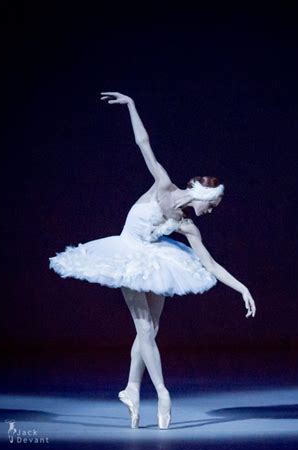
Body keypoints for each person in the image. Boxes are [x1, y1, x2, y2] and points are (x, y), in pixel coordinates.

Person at [48, 91, 256, 430]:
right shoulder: (164, 186)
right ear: (203, 196)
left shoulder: (187, 227)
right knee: (144, 329)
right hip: (128, 254)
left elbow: (212, 266)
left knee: (151, 331)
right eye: (213, 205)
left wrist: (242, 288)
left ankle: (131, 388)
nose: (213, 212)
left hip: (155, 259)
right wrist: (131, 105)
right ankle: (162, 393)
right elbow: (143, 144)